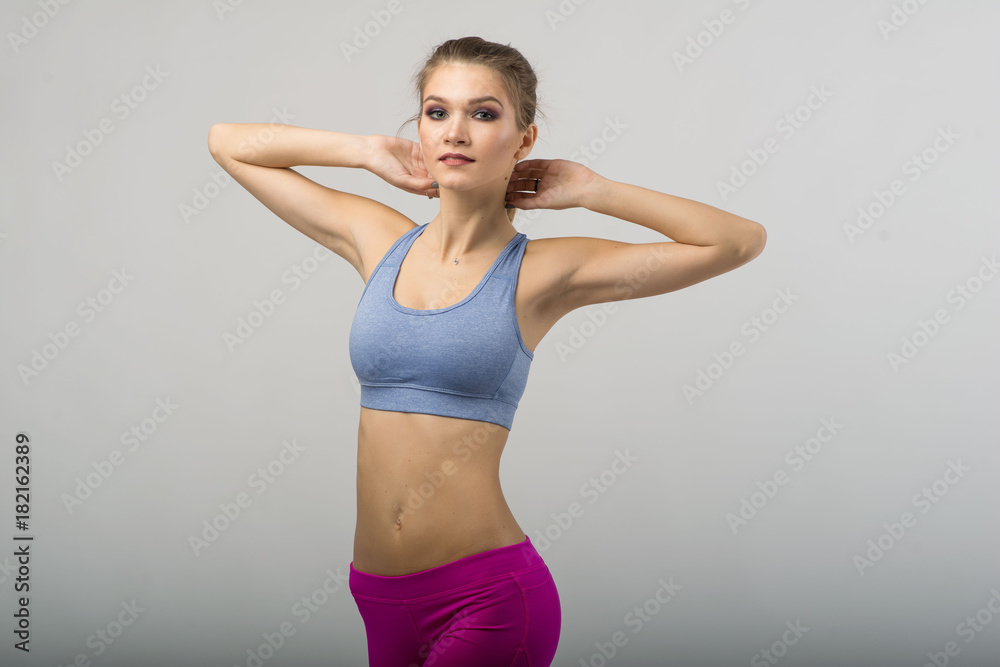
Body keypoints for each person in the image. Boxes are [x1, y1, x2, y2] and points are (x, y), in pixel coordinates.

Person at [208, 35, 765, 667]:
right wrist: (365, 152)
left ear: (524, 139)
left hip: (488, 600)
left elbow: (737, 242)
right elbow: (228, 144)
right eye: (437, 112)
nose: (456, 133)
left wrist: (592, 189)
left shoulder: (543, 273)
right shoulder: (377, 239)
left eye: (484, 113)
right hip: (380, 597)